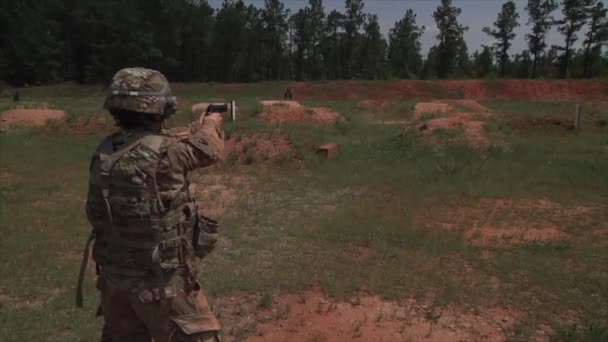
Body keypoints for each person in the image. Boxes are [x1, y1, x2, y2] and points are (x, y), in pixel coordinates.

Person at [79, 67, 224, 342]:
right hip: (161, 284)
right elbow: (209, 148)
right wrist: (211, 122)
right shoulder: (168, 153)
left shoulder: (105, 151)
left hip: (115, 281)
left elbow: (150, 148)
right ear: (161, 109)